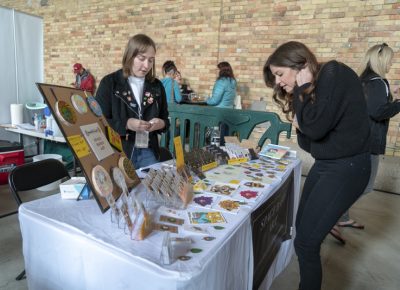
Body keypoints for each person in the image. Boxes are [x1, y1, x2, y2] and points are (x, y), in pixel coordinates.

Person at [263, 41, 371, 290]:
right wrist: (303, 113)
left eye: (280, 74)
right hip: (327, 164)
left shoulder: (332, 72)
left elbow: (314, 129)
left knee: (306, 244)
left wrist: (303, 90)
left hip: (348, 167)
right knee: (301, 232)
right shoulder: (312, 89)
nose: (278, 82)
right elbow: (311, 144)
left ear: (297, 64)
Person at [338, 43, 400, 229]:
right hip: (369, 142)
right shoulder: (378, 82)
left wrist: (393, 98)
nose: (390, 65)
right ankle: (333, 214)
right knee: (365, 186)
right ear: (381, 60)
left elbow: (371, 107)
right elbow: (378, 111)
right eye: (389, 61)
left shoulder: (362, 80)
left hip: (356, 140)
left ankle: (341, 217)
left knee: (353, 182)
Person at [96, 34, 169, 169]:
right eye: (141, 59)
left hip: (148, 151)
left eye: (151, 60)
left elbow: (165, 119)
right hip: (118, 151)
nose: (146, 65)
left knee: (151, 188)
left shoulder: (157, 86)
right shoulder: (110, 83)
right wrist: (127, 124)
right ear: (130, 56)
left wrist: (161, 123)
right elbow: (97, 121)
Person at [206, 61, 237, 145]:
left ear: (221, 70)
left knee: (216, 141)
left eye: (217, 69)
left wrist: (206, 100)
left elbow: (215, 100)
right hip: (229, 112)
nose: (216, 71)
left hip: (219, 114)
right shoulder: (233, 81)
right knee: (224, 139)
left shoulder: (221, 82)